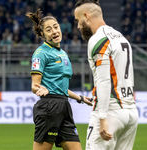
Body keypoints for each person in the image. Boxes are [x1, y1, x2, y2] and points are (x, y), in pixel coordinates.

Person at [74, 0, 138, 150]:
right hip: (131, 112)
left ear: (86, 16)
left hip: (110, 111)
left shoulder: (97, 40)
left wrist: (102, 117)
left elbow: (104, 80)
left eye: (78, 21)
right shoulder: (121, 37)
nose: (77, 26)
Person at [26, 9, 92, 150]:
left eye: (56, 27)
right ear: (43, 34)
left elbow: (60, 88)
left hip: (64, 106)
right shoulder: (41, 53)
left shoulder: (63, 54)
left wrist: (80, 98)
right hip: (49, 107)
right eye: (49, 30)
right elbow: (34, 85)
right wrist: (40, 88)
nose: (54, 31)